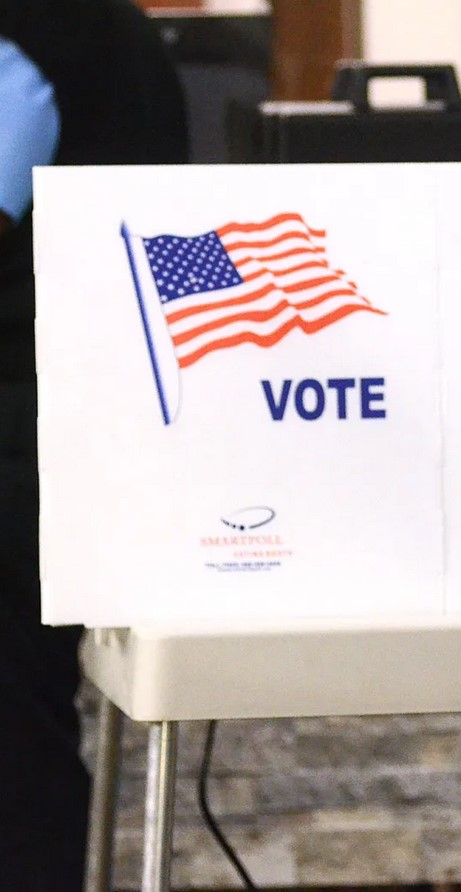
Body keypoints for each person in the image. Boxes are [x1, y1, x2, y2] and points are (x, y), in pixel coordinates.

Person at [0, 2, 187, 888]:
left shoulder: (30, 37)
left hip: (24, 438)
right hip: (79, 423)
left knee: (15, 743)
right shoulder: (102, 25)